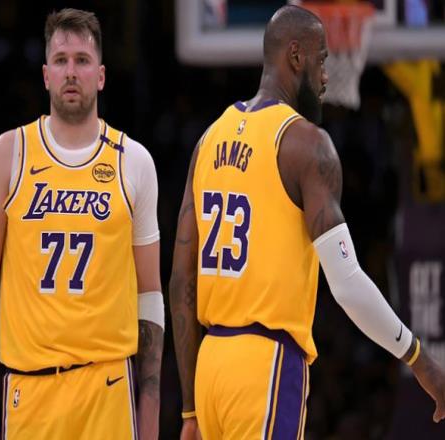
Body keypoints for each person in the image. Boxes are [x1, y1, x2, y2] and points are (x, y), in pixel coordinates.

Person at [169, 5, 445, 439]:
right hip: (265, 364)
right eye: (321, 59)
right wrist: (421, 360)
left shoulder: (209, 139)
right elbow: (347, 283)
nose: (326, 76)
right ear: (296, 56)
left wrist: (190, 409)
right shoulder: (305, 144)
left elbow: (182, 281)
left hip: (210, 367)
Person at [0, 8, 164, 440]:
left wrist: (151, 403)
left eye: (82, 60)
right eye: (61, 60)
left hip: (108, 387)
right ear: (46, 75)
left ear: (100, 76)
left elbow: (149, 292)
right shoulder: (9, 153)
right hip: (30, 389)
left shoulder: (134, 161)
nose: (71, 72)